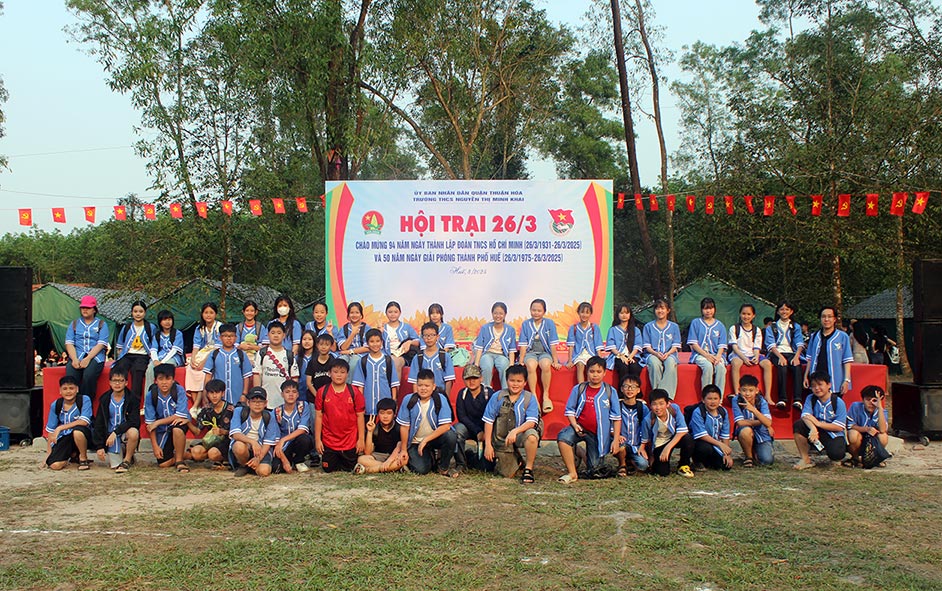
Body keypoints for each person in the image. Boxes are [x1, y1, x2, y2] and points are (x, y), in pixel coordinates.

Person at [556, 356, 621, 483]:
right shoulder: (579, 389)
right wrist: (574, 425)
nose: (595, 375)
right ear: (587, 372)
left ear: (604, 373)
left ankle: (580, 452)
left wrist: (616, 440)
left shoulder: (610, 391)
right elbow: (570, 410)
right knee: (563, 438)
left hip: (598, 434)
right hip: (580, 428)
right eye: (592, 371)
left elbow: (616, 418)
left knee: (594, 470)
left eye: (598, 372)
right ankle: (572, 473)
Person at [482, 364, 542, 483]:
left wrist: (515, 431)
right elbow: (488, 421)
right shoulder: (497, 396)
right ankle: (517, 459)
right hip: (502, 439)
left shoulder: (529, 398)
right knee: (507, 474)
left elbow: (531, 422)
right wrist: (488, 445)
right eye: (512, 380)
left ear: (525, 383)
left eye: (519, 381)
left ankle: (528, 469)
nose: (515, 384)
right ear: (506, 381)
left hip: (520, 435)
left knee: (531, 436)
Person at [397, 368, 458, 476]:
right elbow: (404, 427)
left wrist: (426, 440)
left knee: (450, 436)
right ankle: (429, 458)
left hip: (433, 438)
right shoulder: (408, 400)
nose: (423, 389)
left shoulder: (440, 399)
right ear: (416, 386)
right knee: (421, 470)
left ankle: (443, 467)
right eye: (420, 385)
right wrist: (403, 449)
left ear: (433, 387)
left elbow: (446, 426)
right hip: (416, 441)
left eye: (427, 386)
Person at [314, 358, 366, 473]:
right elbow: (318, 417)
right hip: (329, 440)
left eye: (342, 372)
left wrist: (361, 439)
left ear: (347, 374)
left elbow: (360, 416)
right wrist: (318, 440)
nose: (339, 375)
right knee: (328, 469)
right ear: (329, 373)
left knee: (349, 468)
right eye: (335, 372)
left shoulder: (354, 392)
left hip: (350, 440)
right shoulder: (322, 392)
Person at [793, 371, 848, 469]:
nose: (817, 388)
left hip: (833, 434)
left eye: (820, 384)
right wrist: (813, 428)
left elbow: (839, 427)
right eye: (813, 386)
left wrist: (818, 424)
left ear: (829, 385)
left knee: (836, 454)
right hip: (816, 432)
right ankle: (805, 459)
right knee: (798, 425)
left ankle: (837, 455)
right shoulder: (811, 398)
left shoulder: (838, 402)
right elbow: (805, 415)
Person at [518, 298, 562, 413]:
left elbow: (552, 344)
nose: (536, 313)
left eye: (539, 310)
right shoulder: (526, 324)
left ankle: (545, 396)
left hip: (545, 352)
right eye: (533, 310)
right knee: (531, 365)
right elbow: (523, 345)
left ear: (544, 312)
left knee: (546, 364)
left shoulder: (549, 323)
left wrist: (555, 361)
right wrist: (521, 360)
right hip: (530, 352)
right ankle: (534, 396)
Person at [145, 363, 191, 472]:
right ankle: (188, 455)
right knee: (163, 463)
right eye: (160, 379)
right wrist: (155, 447)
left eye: (168, 379)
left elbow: (180, 415)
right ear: (155, 381)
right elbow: (150, 424)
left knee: (177, 427)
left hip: (177, 424)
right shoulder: (151, 395)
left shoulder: (179, 390)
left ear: (173, 380)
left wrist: (158, 422)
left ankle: (179, 461)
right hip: (162, 431)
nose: (164, 382)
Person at [92, 367, 140, 473]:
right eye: (114, 380)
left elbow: (134, 421)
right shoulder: (105, 399)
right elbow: (99, 423)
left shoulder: (132, 398)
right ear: (110, 382)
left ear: (126, 382)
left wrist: (116, 432)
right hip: (110, 437)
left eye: (121, 381)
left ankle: (127, 459)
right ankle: (123, 452)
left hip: (124, 432)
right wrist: (99, 446)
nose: (117, 384)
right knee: (115, 466)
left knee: (134, 432)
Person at [803, 306, 853, 401]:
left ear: (834, 319)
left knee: (834, 405)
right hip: (816, 379)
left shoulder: (842, 336)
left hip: (835, 380)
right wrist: (806, 376)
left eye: (829, 316)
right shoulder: (814, 336)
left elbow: (847, 360)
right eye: (823, 316)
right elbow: (809, 358)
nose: (826, 319)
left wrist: (846, 380)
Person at [64, 295, 110, 399]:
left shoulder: (101, 324)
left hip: (95, 356)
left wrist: (88, 358)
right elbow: (69, 343)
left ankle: (86, 401)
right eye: (83, 307)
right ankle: (72, 402)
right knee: (70, 377)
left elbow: (101, 344)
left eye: (88, 308)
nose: (85, 310)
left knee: (88, 376)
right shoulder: (74, 323)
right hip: (77, 354)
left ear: (94, 310)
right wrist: (74, 359)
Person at [44, 375, 93, 471]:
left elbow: (84, 421)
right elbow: (51, 431)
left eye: (71, 388)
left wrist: (60, 428)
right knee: (54, 466)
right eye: (65, 389)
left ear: (77, 389)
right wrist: (48, 455)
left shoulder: (84, 400)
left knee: (77, 432)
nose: (68, 391)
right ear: (60, 391)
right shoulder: (56, 404)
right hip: (65, 438)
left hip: (83, 436)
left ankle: (83, 458)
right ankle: (71, 456)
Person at [642, 388, 694, 477]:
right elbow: (647, 440)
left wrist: (667, 448)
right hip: (660, 442)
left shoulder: (674, 409)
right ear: (650, 406)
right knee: (662, 472)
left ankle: (683, 465)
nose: (658, 408)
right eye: (654, 404)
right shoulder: (648, 420)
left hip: (674, 438)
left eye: (661, 403)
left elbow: (683, 430)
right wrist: (651, 456)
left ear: (668, 404)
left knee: (687, 438)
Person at [229, 387, 281, 477]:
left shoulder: (269, 416)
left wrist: (258, 458)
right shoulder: (239, 411)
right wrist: (252, 442)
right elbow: (235, 434)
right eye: (254, 401)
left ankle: (252, 466)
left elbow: (268, 442)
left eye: (261, 401)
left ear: (265, 403)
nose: (257, 404)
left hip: (261, 449)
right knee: (239, 446)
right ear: (248, 402)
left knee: (264, 472)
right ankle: (243, 465)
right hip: (245, 446)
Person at [728, 303, 774, 404]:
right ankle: (737, 393)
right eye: (743, 314)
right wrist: (744, 358)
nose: (746, 316)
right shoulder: (734, 328)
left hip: (752, 354)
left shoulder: (757, 330)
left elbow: (757, 347)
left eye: (749, 314)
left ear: (753, 316)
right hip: (738, 354)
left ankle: (767, 395)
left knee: (767, 364)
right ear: (740, 314)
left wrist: (756, 357)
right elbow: (734, 347)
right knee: (736, 363)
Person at [765, 300, 805, 410]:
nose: (784, 312)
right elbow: (771, 345)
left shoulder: (795, 326)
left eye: (787, 309)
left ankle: (798, 400)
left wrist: (796, 357)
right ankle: (782, 399)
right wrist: (780, 357)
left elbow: (799, 343)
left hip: (792, 353)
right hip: (776, 353)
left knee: (797, 367)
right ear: (778, 312)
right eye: (782, 309)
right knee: (782, 367)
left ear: (791, 312)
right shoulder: (772, 327)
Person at [114, 300, 158, 401]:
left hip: (143, 356)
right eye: (135, 311)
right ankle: (119, 399)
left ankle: (134, 402)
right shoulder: (127, 327)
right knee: (119, 370)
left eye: (141, 311)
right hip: (127, 355)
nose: (138, 314)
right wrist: (120, 356)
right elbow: (120, 345)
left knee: (137, 372)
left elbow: (154, 344)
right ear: (132, 313)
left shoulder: (150, 327)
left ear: (145, 313)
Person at [186, 379, 233, 469]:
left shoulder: (231, 409)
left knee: (213, 453)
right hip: (210, 441)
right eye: (211, 393)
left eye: (217, 392)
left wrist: (223, 432)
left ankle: (224, 458)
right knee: (196, 452)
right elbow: (197, 431)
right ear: (207, 394)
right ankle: (212, 458)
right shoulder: (206, 410)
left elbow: (237, 432)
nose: (214, 396)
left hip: (227, 441)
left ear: (223, 393)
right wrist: (188, 422)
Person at [454, 364, 494, 470]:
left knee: (486, 468)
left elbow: (493, 416)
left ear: (481, 378)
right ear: (463, 380)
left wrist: (485, 433)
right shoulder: (462, 394)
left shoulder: (489, 393)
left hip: (487, 430)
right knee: (457, 430)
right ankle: (461, 464)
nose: (471, 382)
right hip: (469, 428)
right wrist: (477, 431)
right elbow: (462, 417)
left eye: (475, 378)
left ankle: (471, 457)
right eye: (468, 379)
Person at [352, 328, 399, 417]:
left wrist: (393, 401)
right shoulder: (362, 361)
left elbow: (393, 384)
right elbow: (360, 386)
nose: (375, 344)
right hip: (368, 406)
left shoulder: (388, 361)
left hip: (385, 406)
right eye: (372, 341)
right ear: (367, 343)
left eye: (378, 341)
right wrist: (361, 403)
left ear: (382, 342)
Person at [203, 323, 253, 406]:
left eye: (231, 336)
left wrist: (244, 394)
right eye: (225, 336)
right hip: (219, 398)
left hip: (237, 397)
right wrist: (205, 394)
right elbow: (208, 376)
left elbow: (246, 376)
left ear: (236, 338)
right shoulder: (214, 354)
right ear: (220, 337)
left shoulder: (241, 354)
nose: (229, 338)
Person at [686, 385, 733, 471]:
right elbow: (701, 435)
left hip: (715, 444)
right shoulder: (698, 412)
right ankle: (697, 462)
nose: (713, 402)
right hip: (701, 442)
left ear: (720, 400)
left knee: (725, 466)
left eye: (715, 399)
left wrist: (727, 454)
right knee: (705, 448)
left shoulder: (723, 412)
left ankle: (708, 462)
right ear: (703, 400)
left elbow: (725, 434)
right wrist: (720, 445)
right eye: (709, 399)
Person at [354, 398, 408, 474]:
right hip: (378, 456)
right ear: (378, 414)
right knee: (361, 459)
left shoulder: (399, 427)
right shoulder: (375, 428)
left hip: (394, 455)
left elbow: (399, 446)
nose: (385, 416)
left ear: (394, 414)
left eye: (389, 413)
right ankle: (393, 468)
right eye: (382, 413)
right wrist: (370, 432)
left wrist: (389, 461)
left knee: (404, 460)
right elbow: (368, 452)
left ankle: (368, 470)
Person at [253, 321, 299, 409]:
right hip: (266, 402)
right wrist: (258, 397)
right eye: (273, 333)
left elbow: (294, 378)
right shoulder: (262, 353)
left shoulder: (289, 355)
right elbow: (257, 375)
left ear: (284, 335)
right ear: (268, 335)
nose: (276, 335)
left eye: (279, 333)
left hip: (284, 403)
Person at [687, 297, 728, 396]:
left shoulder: (720, 325)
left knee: (721, 368)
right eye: (706, 308)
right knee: (708, 366)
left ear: (714, 309)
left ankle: (719, 398)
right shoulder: (696, 323)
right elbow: (694, 343)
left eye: (711, 308)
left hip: (717, 355)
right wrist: (706, 355)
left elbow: (722, 344)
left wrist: (718, 356)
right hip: (700, 355)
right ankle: (706, 397)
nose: (708, 311)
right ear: (702, 310)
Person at [642, 299, 682, 399]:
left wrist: (668, 353)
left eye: (662, 308)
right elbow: (647, 346)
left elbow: (675, 345)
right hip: (652, 354)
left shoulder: (674, 326)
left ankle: (663, 396)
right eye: (657, 308)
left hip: (670, 354)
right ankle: (658, 394)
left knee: (670, 363)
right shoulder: (648, 326)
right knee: (654, 364)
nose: (660, 311)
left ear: (668, 310)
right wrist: (656, 353)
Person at [732, 374, 774, 466]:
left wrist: (753, 410)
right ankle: (749, 457)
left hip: (761, 433)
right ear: (739, 390)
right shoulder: (736, 400)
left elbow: (768, 422)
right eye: (744, 390)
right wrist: (762, 422)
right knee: (745, 431)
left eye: (751, 390)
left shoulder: (762, 401)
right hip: (746, 431)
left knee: (767, 461)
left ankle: (755, 450)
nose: (747, 394)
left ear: (756, 391)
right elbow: (740, 422)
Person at [473, 302, 517, 390]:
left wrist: (511, 365)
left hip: (502, 355)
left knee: (504, 366)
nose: (498, 316)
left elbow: (511, 350)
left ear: (505, 314)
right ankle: (485, 391)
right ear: (492, 314)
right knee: (487, 366)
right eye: (495, 313)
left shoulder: (510, 330)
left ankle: (506, 392)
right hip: (487, 354)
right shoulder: (485, 328)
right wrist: (476, 364)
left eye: (501, 313)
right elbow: (479, 347)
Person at [273, 380, 314, 473]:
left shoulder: (303, 406)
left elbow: (302, 429)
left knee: (305, 440)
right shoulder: (276, 412)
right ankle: (289, 460)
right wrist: (284, 460)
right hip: (283, 446)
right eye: (287, 392)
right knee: (276, 468)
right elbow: (276, 439)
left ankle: (298, 460)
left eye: (294, 392)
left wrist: (283, 439)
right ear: (282, 394)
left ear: (298, 394)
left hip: (297, 442)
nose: (291, 395)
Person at [187, 302, 222, 408]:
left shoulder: (219, 327)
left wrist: (204, 362)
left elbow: (217, 347)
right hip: (203, 352)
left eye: (211, 312)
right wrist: (193, 359)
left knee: (203, 372)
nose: (208, 315)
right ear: (202, 314)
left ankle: (201, 404)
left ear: (215, 314)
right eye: (206, 312)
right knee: (190, 369)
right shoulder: (199, 328)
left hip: (215, 353)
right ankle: (197, 406)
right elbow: (196, 346)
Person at [845, 385, 890, 468]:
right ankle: (855, 458)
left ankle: (876, 458)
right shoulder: (855, 406)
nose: (871, 403)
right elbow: (850, 425)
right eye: (868, 399)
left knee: (883, 436)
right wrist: (866, 429)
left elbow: (883, 430)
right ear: (863, 399)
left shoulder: (882, 412)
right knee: (852, 434)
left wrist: (879, 408)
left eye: (874, 400)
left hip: (873, 440)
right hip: (859, 437)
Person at [614, 374, 649, 476]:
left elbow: (647, 428)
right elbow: (610, 425)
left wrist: (643, 446)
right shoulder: (617, 406)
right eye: (626, 386)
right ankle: (622, 465)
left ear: (638, 390)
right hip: (621, 442)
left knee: (643, 465)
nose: (630, 389)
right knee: (621, 447)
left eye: (633, 386)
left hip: (636, 446)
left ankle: (630, 461)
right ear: (621, 389)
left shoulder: (643, 408)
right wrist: (616, 436)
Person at [408, 322, 455, 395]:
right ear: (422, 337)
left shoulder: (445, 356)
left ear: (437, 337)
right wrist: (417, 398)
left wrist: (446, 397)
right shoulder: (418, 357)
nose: (429, 338)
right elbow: (414, 381)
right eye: (426, 335)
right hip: (423, 395)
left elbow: (449, 380)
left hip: (440, 394)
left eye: (432, 335)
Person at [567, 302, 604, 384]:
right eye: (582, 312)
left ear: (591, 314)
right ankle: (581, 387)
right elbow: (571, 345)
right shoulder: (573, 328)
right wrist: (569, 361)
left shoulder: (594, 327)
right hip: (578, 354)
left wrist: (600, 359)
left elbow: (598, 344)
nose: (584, 315)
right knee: (580, 365)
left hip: (591, 354)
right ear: (578, 313)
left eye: (587, 312)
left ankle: (590, 386)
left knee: (591, 366)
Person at [606, 304, 643, 385]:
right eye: (621, 313)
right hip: (618, 356)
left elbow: (637, 345)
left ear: (630, 315)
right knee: (623, 366)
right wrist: (620, 355)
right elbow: (611, 346)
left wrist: (630, 356)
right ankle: (622, 391)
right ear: (618, 314)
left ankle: (635, 390)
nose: (624, 315)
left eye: (626, 313)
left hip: (632, 355)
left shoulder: (636, 330)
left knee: (634, 367)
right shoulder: (613, 329)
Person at [381, 300, 420, 377]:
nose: (393, 314)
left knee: (395, 362)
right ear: (386, 313)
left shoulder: (406, 327)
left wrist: (409, 342)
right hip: (385, 355)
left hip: (402, 356)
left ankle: (395, 385)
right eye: (390, 312)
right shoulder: (382, 328)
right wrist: (379, 332)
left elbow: (418, 341)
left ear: (400, 313)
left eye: (395, 312)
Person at [336, 301, 370, 370]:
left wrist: (351, 351)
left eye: (357, 312)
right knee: (340, 363)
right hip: (345, 354)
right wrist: (353, 334)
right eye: (352, 313)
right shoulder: (344, 328)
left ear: (361, 315)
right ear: (348, 315)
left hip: (361, 354)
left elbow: (367, 348)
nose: (354, 315)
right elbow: (343, 348)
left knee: (353, 364)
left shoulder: (366, 328)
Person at [305, 333, 336, 402]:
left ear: (331, 346)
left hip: (330, 398)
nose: (323, 347)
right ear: (317, 345)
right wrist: (318, 396)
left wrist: (329, 397)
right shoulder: (312, 362)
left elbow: (336, 381)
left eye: (327, 345)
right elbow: (308, 383)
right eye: (321, 344)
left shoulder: (334, 362)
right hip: (314, 398)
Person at [296, 330, 317, 404]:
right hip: (300, 396)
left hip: (315, 396)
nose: (307, 342)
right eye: (304, 339)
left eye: (310, 339)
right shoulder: (296, 358)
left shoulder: (318, 358)